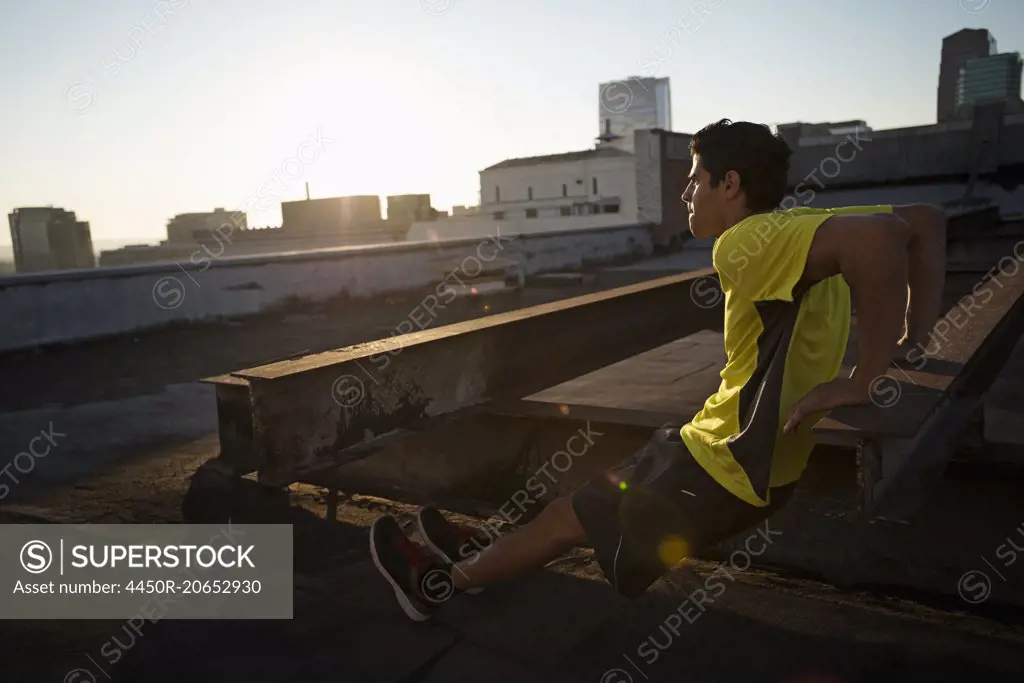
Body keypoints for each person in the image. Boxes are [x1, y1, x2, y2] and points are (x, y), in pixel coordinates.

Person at [368, 119, 948, 622]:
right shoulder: (800, 227)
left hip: (729, 468)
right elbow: (925, 221)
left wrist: (868, 373)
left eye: (696, 178)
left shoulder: (744, 243)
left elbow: (882, 239)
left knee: (567, 522)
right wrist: (911, 340)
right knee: (568, 513)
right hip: (710, 447)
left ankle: (437, 586)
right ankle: (483, 553)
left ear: (730, 184)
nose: (686, 190)